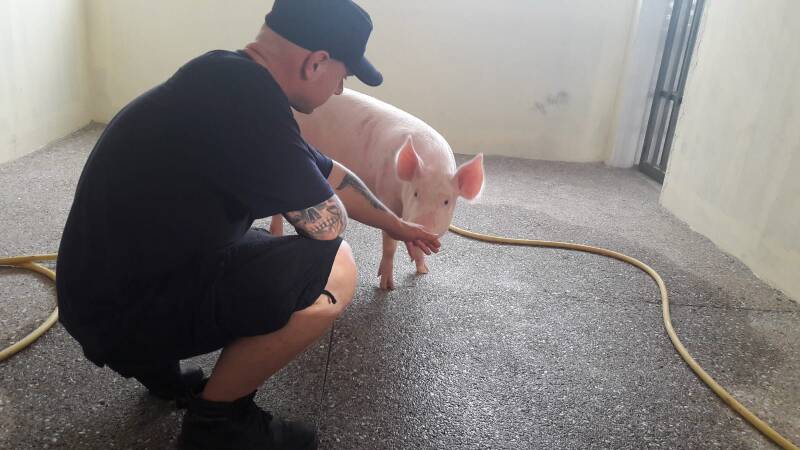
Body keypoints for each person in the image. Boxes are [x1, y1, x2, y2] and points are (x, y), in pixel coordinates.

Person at [55, 0, 441, 448]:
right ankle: (218, 422)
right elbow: (328, 227)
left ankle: (159, 370)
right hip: (121, 316)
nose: (339, 90)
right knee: (332, 265)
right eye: (342, 76)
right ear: (316, 62)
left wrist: (398, 224)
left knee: (253, 241)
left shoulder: (226, 78)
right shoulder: (247, 106)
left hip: (98, 295)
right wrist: (313, 212)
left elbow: (332, 174)